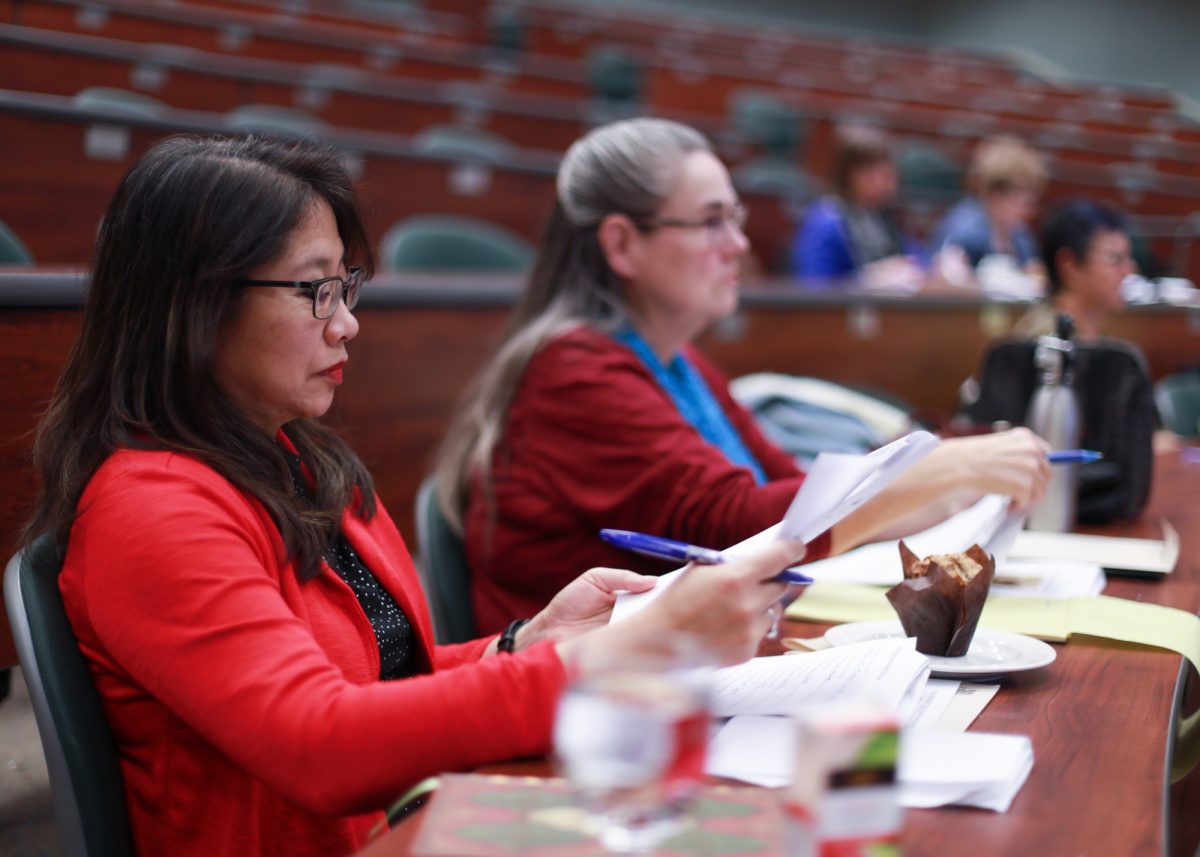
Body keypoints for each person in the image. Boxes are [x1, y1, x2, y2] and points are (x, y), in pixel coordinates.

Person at [22, 135, 809, 857]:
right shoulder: (151, 508)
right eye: (314, 291)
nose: (347, 325)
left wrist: (525, 642)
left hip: (412, 822)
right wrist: (614, 655)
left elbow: (380, 683)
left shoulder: (297, 458)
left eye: (346, 286)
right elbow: (320, 741)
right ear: (195, 303)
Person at [436, 117, 1051, 636]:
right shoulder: (571, 373)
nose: (738, 244)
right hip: (577, 720)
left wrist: (947, 492)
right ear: (622, 245)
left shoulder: (679, 360)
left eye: (735, 217)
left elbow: (790, 485)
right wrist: (946, 465)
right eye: (711, 222)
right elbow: (736, 525)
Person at [790, 123, 924, 289]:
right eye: (870, 167)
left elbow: (915, 263)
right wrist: (867, 281)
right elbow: (812, 288)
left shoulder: (887, 216)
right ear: (846, 173)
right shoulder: (825, 221)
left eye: (887, 165)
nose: (885, 175)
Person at [1013, 198, 1136, 341]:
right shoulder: (1046, 344)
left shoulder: (1085, 334)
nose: (1129, 271)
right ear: (1070, 266)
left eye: (1128, 258)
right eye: (1115, 259)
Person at [928, 136, 1046, 275]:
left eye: (1032, 201)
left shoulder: (1020, 236)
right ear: (995, 194)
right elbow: (942, 277)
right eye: (1024, 201)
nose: (1029, 210)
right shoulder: (963, 228)